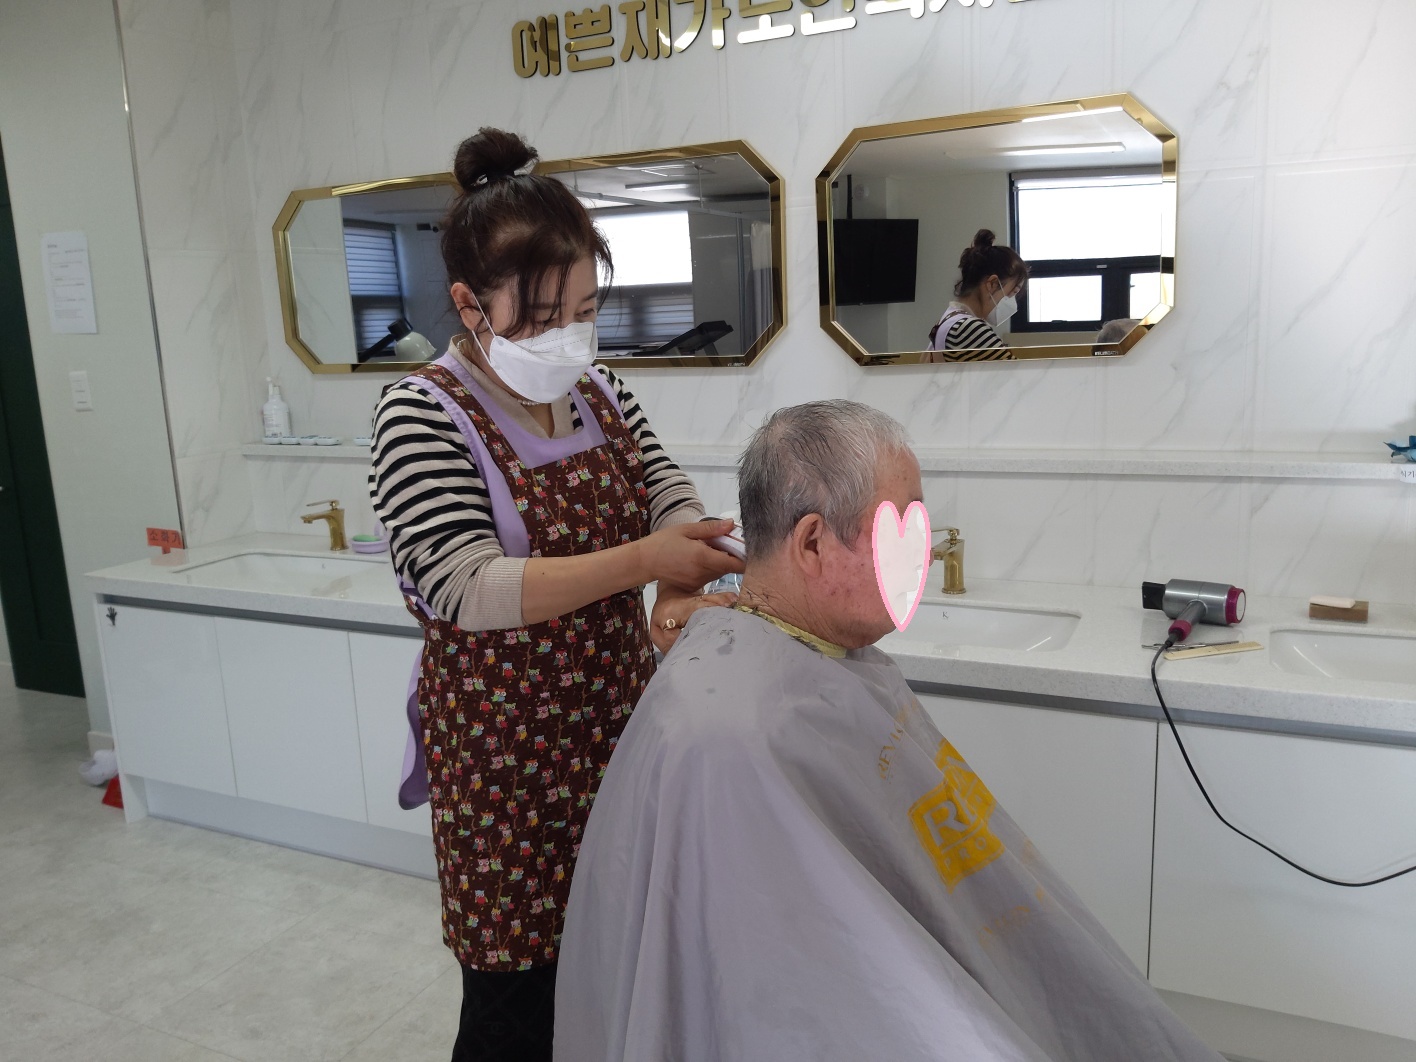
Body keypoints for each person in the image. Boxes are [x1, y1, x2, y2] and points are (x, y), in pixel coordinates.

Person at [554, 400, 1224, 1062]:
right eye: (896, 532)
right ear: (812, 542)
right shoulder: (732, 733)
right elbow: (807, 990)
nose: (920, 559)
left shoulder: (830, 657)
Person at [368, 127, 742, 1061]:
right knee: (515, 1006)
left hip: (616, 730)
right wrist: (643, 561)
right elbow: (467, 585)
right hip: (503, 767)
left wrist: (678, 578)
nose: (570, 335)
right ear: (470, 305)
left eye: (585, 308)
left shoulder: (602, 391)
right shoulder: (420, 412)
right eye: (541, 316)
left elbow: (664, 490)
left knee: (615, 972)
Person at [927, 228, 1029, 362]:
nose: (1012, 301)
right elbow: (1018, 373)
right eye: (1013, 292)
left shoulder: (949, 320)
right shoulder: (969, 329)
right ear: (992, 284)